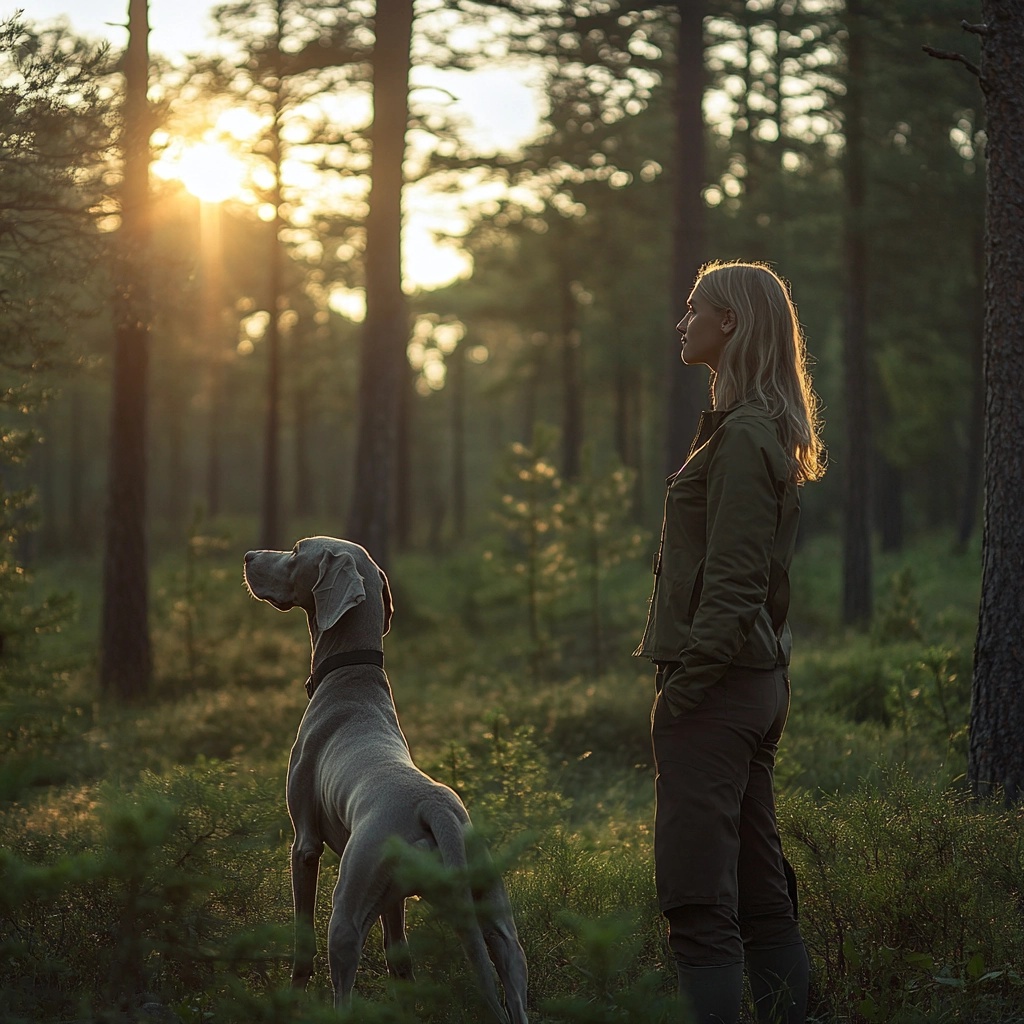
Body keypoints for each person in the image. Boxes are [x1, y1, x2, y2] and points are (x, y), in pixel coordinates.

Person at [635, 260, 826, 1024]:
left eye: (695, 310)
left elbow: (738, 582)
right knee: (758, 892)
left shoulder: (745, 438)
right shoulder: (745, 429)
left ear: (732, 324)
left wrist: (683, 694)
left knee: (698, 903)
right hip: (748, 684)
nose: (682, 322)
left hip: (717, 692)